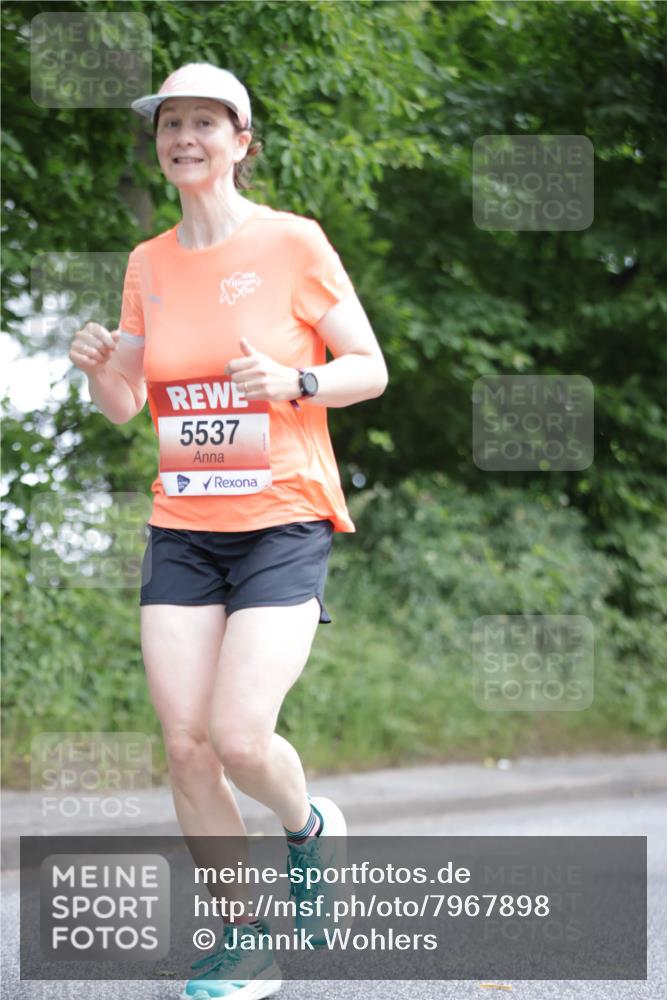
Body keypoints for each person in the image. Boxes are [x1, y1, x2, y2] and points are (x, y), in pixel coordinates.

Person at [69, 62, 388, 999]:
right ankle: (244, 940)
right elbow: (126, 403)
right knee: (186, 744)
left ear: (242, 142)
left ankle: (306, 828)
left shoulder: (293, 244)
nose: (185, 138)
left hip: (282, 517)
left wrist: (293, 382)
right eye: (171, 124)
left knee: (241, 736)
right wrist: (96, 365)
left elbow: (366, 366)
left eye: (206, 122)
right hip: (183, 526)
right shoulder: (147, 264)